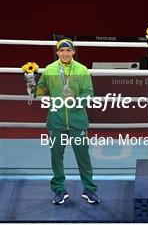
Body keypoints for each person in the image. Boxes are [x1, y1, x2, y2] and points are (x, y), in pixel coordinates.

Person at [32, 38, 100, 205]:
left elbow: (89, 93)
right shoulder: (49, 69)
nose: (65, 53)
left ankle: (89, 190)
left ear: (73, 52)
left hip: (78, 121)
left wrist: (75, 99)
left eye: (68, 50)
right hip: (56, 121)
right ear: (57, 52)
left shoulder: (82, 70)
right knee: (56, 157)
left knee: (83, 157)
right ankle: (59, 190)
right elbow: (40, 91)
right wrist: (31, 82)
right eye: (61, 51)